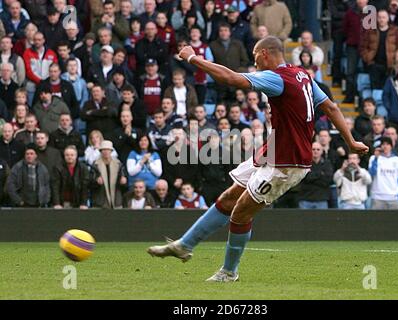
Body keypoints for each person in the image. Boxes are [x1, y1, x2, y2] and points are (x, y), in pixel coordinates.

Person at [147, 36, 368, 282]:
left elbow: (230, 78)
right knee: (229, 197)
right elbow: (332, 108)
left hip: (287, 162)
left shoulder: (276, 78)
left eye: (255, 57)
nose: (254, 63)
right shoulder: (302, 75)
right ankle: (183, 245)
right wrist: (351, 141)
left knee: (241, 212)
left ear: (264, 54)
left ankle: (229, 272)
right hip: (272, 152)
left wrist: (192, 58)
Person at [369, 137, 398, 209]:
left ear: (391, 146)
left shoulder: (397, 160)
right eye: (383, 144)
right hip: (377, 197)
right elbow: (372, 173)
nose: (385, 146)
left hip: (394, 197)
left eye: (388, 144)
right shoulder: (373, 158)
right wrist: (376, 158)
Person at [90, 140, 127, 209]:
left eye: (108, 150)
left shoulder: (118, 164)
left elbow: (123, 182)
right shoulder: (95, 164)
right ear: (100, 151)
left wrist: (123, 181)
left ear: (111, 151)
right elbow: (90, 183)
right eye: (103, 150)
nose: (106, 152)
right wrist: (96, 181)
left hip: (116, 200)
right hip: (100, 201)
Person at [297, 142, 334, 209]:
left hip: (321, 199)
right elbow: (306, 178)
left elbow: (328, 180)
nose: (315, 151)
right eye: (313, 149)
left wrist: (312, 175)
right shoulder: (304, 163)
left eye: (318, 149)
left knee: (322, 219)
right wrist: (321, 173)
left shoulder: (327, 163)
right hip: (305, 199)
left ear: (322, 151)